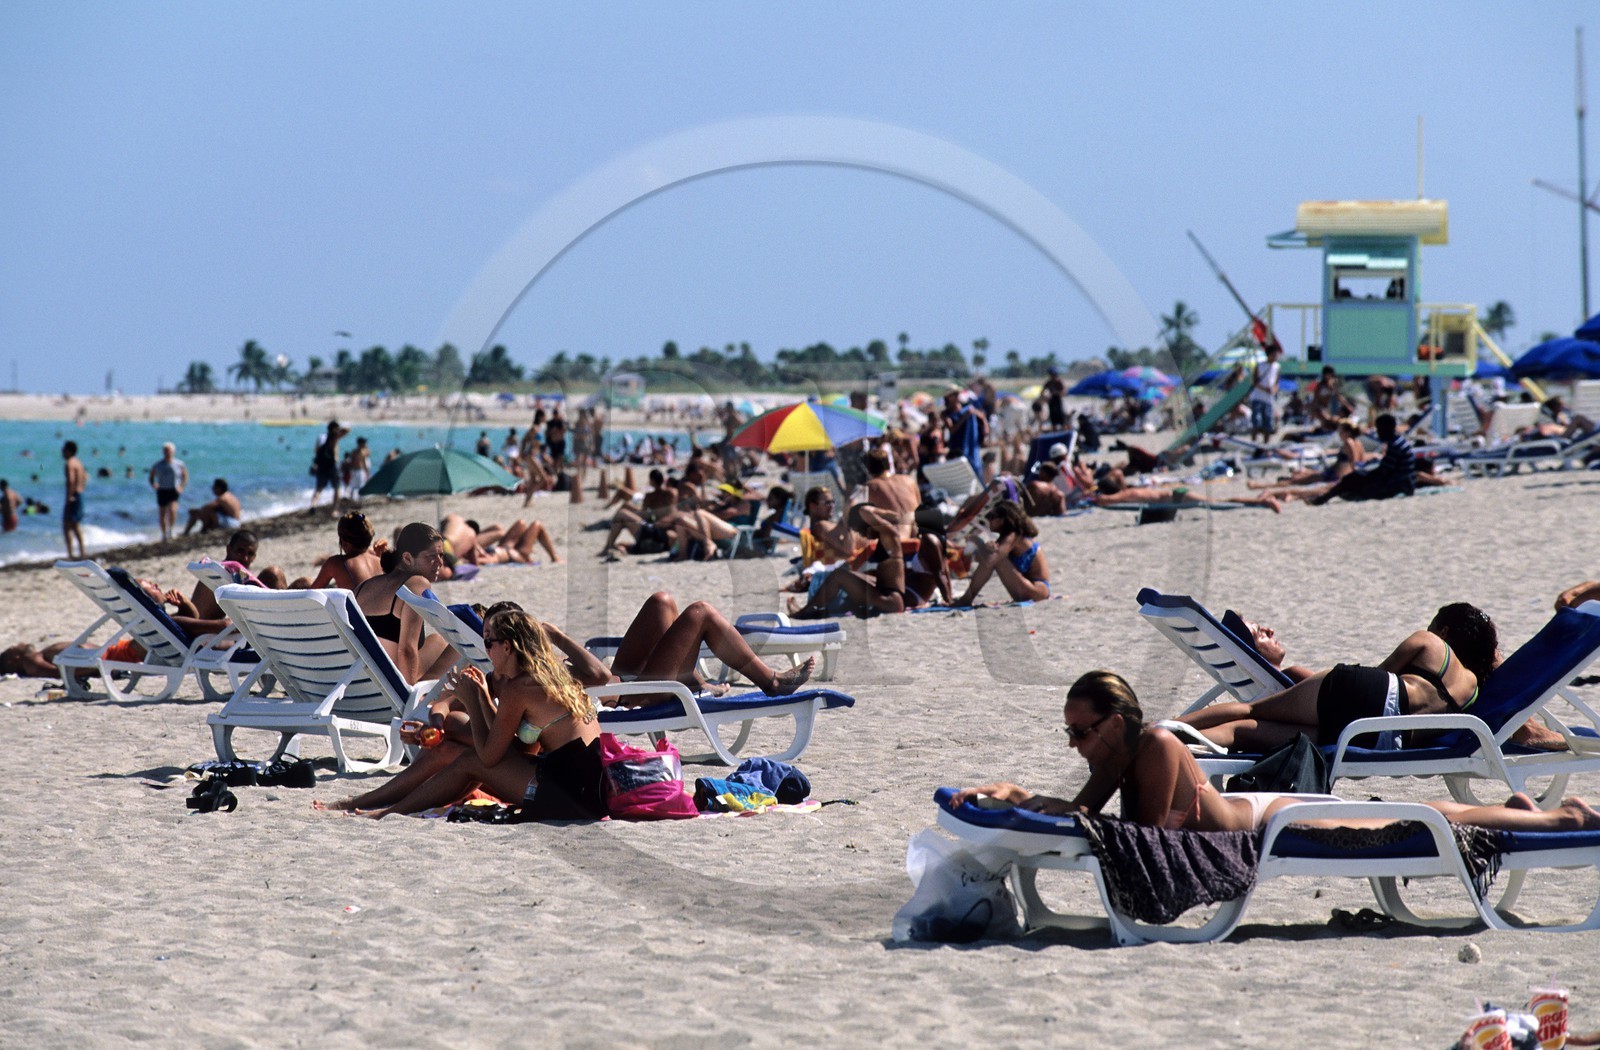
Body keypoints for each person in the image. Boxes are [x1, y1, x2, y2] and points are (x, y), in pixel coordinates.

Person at [952, 670, 1600, 834]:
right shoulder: (1117, 758)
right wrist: (1014, 795)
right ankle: (1516, 806)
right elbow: (1083, 814)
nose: (1075, 745)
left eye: (1081, 731)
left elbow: (1134, 838)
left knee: (1422, 821)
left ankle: (1552, 818)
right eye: (1068, 734)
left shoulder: (1152, 747)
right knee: (1419, 814)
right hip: (1264, 810)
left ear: (1117, 723)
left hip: (1275, 822)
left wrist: (1025, 806)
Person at [313, 609, 607, 821]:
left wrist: (475, 700)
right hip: (584, 787)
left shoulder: (521, 687)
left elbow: (489, 757)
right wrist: (472, 701)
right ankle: (375, 804)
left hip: (571, 795)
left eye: (489, 643)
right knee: (456, 747)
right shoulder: (544, 677)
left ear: (507, 646)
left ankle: (388, 812)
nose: (485, 649)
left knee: (468, 760)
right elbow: (499, 743)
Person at [1176, 602, 1500, 753]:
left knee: (1250, 711)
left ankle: (1165, 730)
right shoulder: (1473, 691)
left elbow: (1377, 677)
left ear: (1444, 631)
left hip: (1372, 696)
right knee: (1242, 731)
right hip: (1380, 740)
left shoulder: (1431, 643)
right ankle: (1171, 739)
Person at [354, 522, 456, 683]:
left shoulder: (363, 587)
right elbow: (406, 650)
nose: (440, 563)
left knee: (436, 640)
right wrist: (409, 698)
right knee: (455, 649)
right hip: (390, 684)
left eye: (441, 556)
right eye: (431, 557)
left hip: (358, 680)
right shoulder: (417, 584)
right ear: (407, 558)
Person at [1072, 461, 1282, 513]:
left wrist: (1088, 496)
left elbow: (1106, 500)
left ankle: (1262, 502)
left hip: (1177, 497)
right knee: (1220, 502)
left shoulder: (1128, 493)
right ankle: (1260, 500)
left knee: (1219, 503)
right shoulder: (1128, 489)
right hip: (1175, 495)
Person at [952, 499, 1051, 606]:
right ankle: (967, 598)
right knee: (994, 556)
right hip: (1028, 589)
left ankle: (967, 599)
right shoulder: (1005, 539)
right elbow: (982, 560)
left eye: (991, 516)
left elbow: (990, 561)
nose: (988, 520)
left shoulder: (1013, 536)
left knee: (997, 559)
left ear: (1002, 520)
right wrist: (982, 548)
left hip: (1037, 591)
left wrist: (979, 544)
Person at [1308, 413, 1413, 505]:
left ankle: (1322, 499)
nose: (1378, 432)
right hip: (1401, 481)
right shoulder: (1400, 442)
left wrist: (1364, 475)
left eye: (1379, 429)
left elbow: (1384, 472)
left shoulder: (1395, 446)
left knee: (1352, 479)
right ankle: (1323, 498)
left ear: (1386, 429)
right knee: (1354, 478)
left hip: (1395, 485)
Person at [305, 511, 386, 591]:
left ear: (344, 541)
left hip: (357, 603)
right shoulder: (378, 556)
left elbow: (312, 594)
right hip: (384, 603)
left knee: (304, 582)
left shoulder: (335, 563)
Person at [148, 441, 188, 542]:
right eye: (165, 451)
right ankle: (164, 533)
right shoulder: (158, 465)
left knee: (172, 511)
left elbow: (185, 476)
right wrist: (154, 484)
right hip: (162, 490)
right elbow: (151, 477)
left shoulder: (179, 464)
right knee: (162, 514)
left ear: (173, 452)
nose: (167, 452)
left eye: (169, 451)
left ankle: (171, 530)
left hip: (173, 490)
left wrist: (181, 487)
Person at [309, 421, 350, 514]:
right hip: (332, 466)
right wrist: (339, 429)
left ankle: (313, 505)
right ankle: (334, 510)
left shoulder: (321, 437)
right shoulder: (334, 437)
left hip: (321, 466)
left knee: (319, 488)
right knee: (337, 488)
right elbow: (348, 430)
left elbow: (316, 451)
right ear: (334, 429)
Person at [1248, 343, 1281, 443]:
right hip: (1257, 397)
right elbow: (1255, 382)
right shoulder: (1260, 366)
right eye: (1274, 354)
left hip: (1269, 399)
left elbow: (1276, 382)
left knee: (1268, 424)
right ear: (1269, 354)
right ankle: (1254, 443)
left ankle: (1266, 445)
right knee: (1256, 422)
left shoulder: (1277, 367)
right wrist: (1265, 389)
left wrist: (1274, 390)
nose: (1276, 356)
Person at [61, 440, 87, 560]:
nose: (62, 451)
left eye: (64, 449)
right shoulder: (79, 463)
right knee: (76, 525)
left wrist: (69, 497)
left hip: (73, 496)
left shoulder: (70, 463)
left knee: (67, 525)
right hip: (80, 494)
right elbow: (85, 478)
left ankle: (70, 554)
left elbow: (71, 481)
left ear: (68, 451)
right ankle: (82, 552)